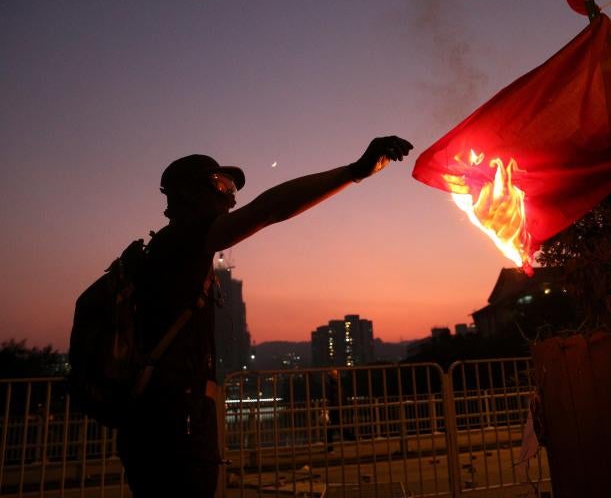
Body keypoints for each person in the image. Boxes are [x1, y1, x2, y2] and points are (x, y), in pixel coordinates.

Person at [115, 136, 413, 498]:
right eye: (221, 185)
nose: (232, 197)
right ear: (190, 194)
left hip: (168, 422)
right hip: (171, 427)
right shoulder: (180, 241)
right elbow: (269, 208)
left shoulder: (171, 249)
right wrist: (354, 172)